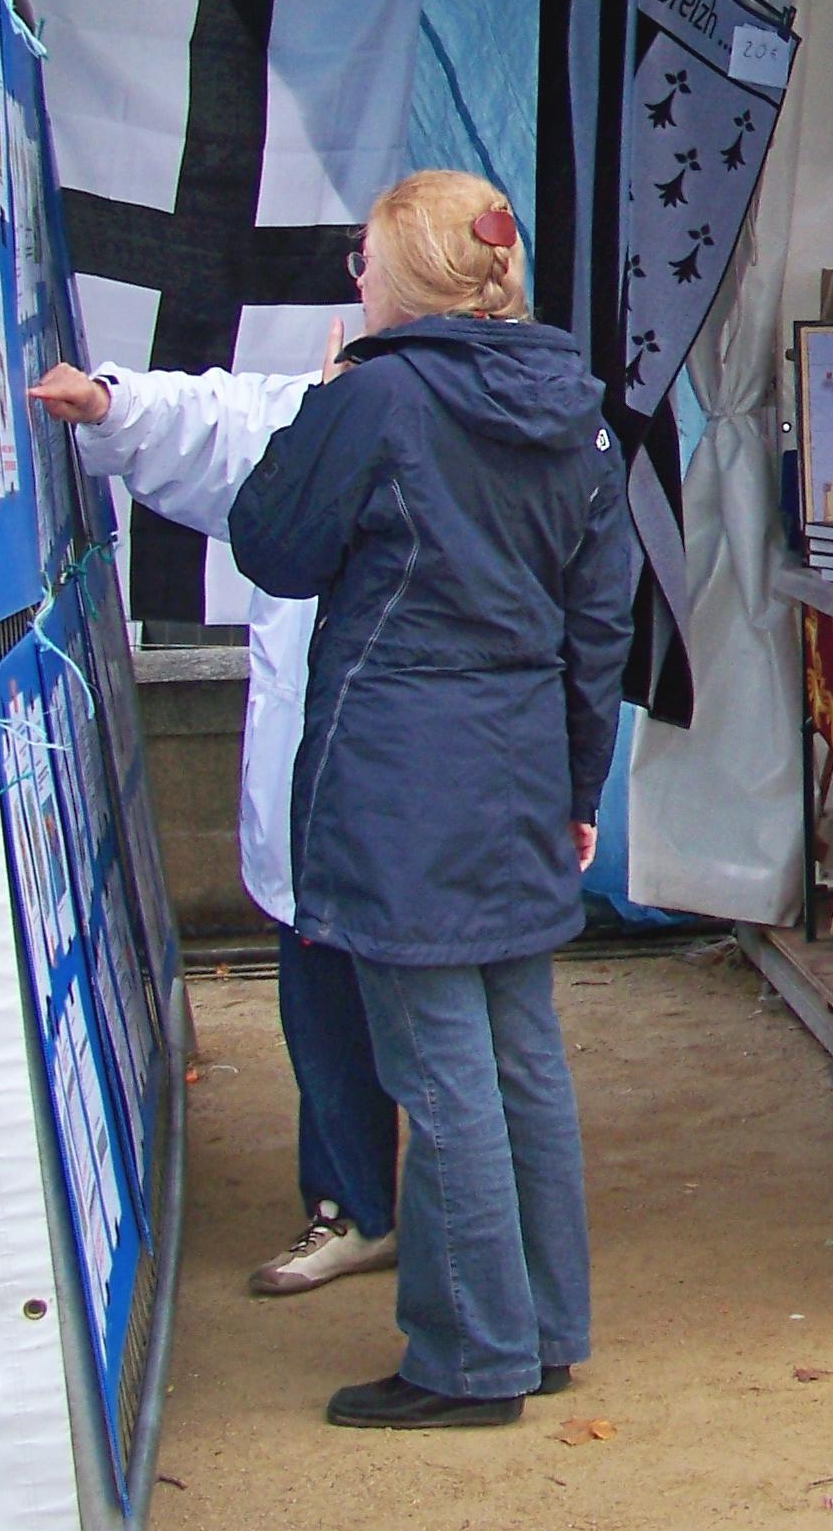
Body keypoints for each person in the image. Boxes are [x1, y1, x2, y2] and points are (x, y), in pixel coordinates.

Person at [230, 171, 634, 1425]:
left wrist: (328, 394)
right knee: (519, 1054)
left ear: (398, 272)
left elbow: (272, 542)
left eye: (364, 259)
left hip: (399, 760)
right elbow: (600, 611)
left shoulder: (379, 394)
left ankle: (468, 1356)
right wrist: (578, 780)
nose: (355, 276)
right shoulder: (572, 401)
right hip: (517, 752)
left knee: (439, 1064)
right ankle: (542, 1324)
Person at [27, 336, 402, 1299]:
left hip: (437, 778)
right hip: (330, 778)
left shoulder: (494, 408)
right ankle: (356, 1203)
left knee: (459, 1017)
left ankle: (470, 1224)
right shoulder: (312, 410)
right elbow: (212, 420)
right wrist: (109, 403)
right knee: (327, 989)